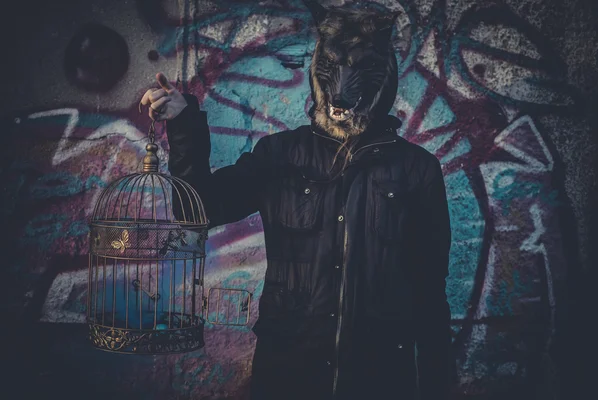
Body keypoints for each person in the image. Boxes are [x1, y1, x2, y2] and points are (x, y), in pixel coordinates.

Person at [140, 2, 452, 399]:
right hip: (289, 376)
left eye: (358, 68)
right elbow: (197, 210)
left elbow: (430, 293)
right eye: (334, 66)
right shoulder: (280, 155)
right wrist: (183, 124)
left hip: (381, 380)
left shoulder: (417, 170)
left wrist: (439, 384)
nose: (342, 85)